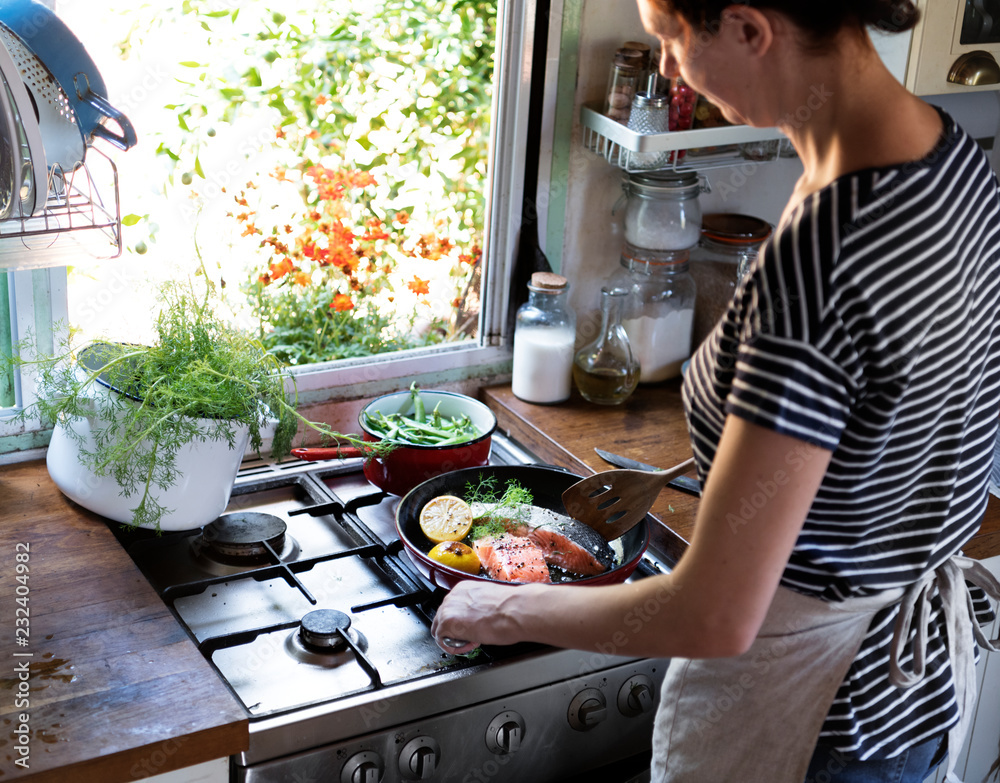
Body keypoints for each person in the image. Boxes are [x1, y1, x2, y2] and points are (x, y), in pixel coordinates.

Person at [431, 1, 1000, 780]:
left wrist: (504, 607)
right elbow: (880, 438)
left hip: (813, 717)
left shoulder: (819, 257)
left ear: (749, 27)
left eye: (671, 37)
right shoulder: (952, 157)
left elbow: (716, 610)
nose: (666, 68)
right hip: (906, 705)